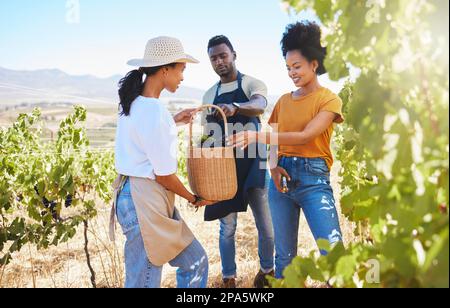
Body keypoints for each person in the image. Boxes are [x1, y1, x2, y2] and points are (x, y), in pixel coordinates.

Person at [228, 21, 344, 279]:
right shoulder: (283, 100)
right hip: (280, 184)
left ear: (314, 64)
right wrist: (273, 166)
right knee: (284, 260)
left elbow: (305, 136)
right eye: (288, 68)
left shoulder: (329, 100)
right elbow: (276, 141)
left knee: (334, 255)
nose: (292, 73)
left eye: (297, 66)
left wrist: (258, 136)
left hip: (314, 180)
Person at [112, 36, 214, 288]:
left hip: (135, 197)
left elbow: (146, 140)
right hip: (143, 201)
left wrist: (174, 121)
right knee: (144, 282)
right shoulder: (155, 111)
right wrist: (194, 198)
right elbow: (164, 176)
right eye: (181, 70)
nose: (182, 77)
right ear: (166, 69)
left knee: (195, 262)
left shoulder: (133, 103)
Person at [201, 35, 274, 288]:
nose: (219, 61)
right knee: (227, 228)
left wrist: (236, 107)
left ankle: (266, 272)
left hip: (255, 164)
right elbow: (207, 137)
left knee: (267, 227)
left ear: (234, 55)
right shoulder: (210, 95)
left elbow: (259, 105)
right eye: (214, 58)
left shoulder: (253, 83)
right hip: (225, 170)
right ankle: (229, 278)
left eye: (223, 55)